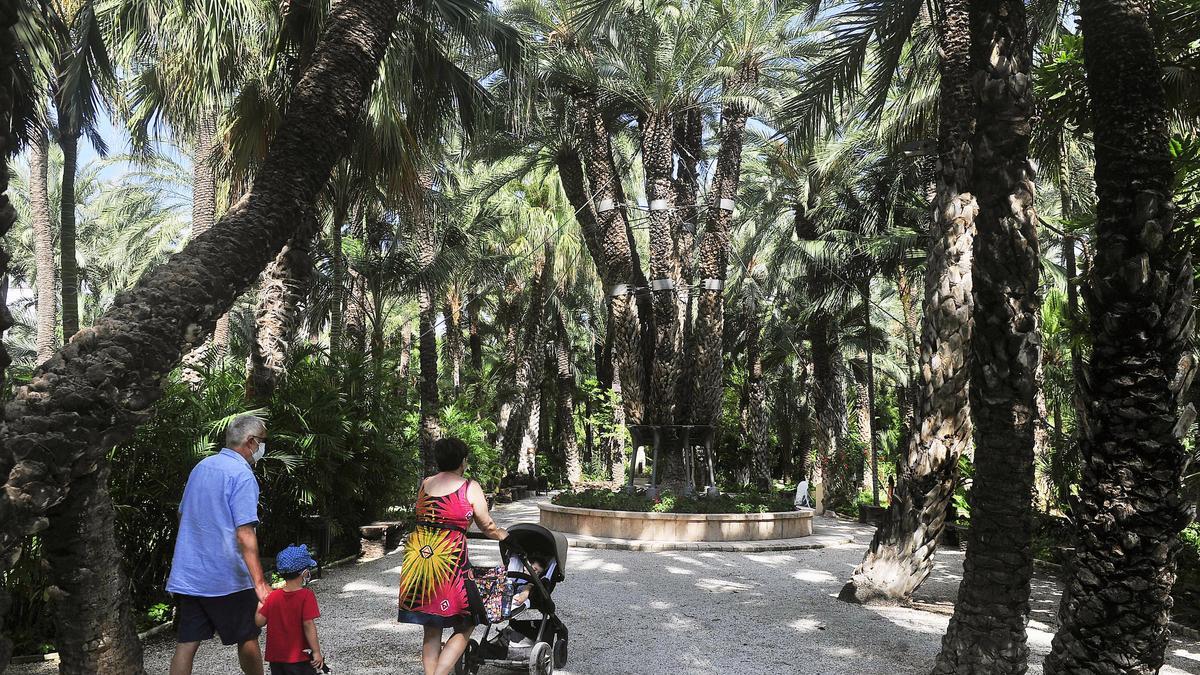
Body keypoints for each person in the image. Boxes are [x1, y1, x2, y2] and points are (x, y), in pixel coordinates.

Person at [167, 413, 273, 675]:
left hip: (190, 574)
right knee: (247, 636)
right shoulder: (242, 475)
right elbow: (245, 532)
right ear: (250, 442)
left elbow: (183, 514)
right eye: (262, 441)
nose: (262, 448)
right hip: (227, 578)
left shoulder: (202, 467)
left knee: (186, 644)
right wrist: (259, 584)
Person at [398, 437, 508, 675]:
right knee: (467, 622)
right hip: (449, 562)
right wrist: (504, 535)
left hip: (419, 561)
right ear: (463, 461)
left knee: (431, 626)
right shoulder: (469, 486)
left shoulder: (425, 483)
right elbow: (487, 526)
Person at [256, 545, 325, 675]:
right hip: (299, 657)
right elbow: (308, 624)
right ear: (304, 573)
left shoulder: (273, 597)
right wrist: (316, 651)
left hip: (276, 658)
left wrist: (260, 604)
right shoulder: (306, 596)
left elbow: (259, 622)